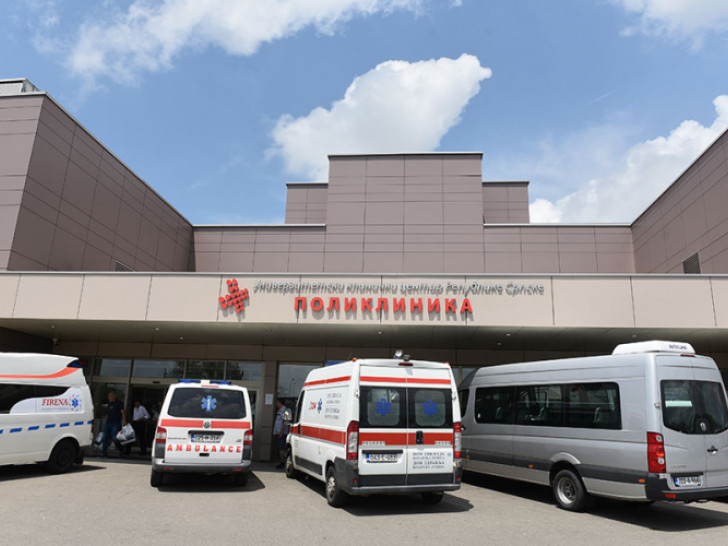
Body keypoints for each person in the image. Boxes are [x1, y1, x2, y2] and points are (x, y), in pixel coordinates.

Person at [102, 391, 126, 458]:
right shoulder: (109, 404)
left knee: (114, 437)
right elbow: (108, 413)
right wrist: (105, 422)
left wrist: (124, 421)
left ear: (113, 397)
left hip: (116, 423)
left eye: (110, 397)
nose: (109, 398)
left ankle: (121, 449)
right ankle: (104, 453)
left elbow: (123, 412)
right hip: (108, 423)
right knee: (105, 438)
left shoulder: (119, 403)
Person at [273, 398, 289, 469]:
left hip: (282, 433)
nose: (276, 404)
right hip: (278, 432)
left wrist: (281, 432)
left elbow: (284, 423)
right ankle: (282, 461)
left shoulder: (285, 411)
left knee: (281, 448)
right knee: (280, 448)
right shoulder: (279, 410)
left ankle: (283, 462)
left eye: (277, 402)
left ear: (280, 403)